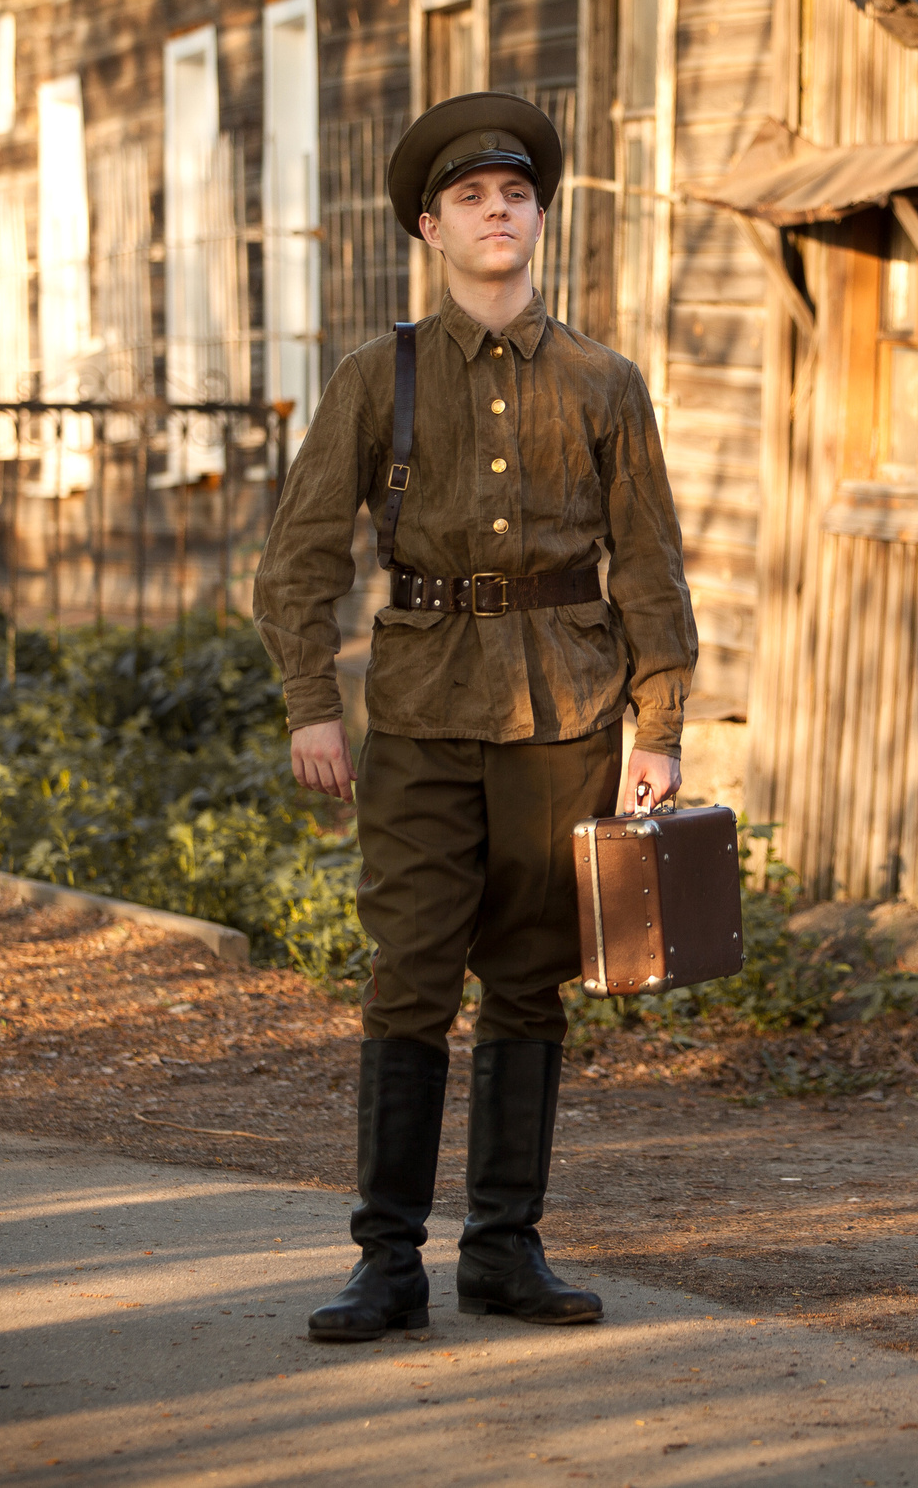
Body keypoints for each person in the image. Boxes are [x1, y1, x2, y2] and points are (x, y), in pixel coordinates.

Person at [253, 91, 696, 1341]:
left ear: (539, 218)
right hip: (420, 714)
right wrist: (311, 705)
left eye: (515, 196)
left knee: (529, 985)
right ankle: (385, 1261)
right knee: (406, 977)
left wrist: (656, 729)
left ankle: (504, 1249)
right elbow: (297, 564)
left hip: (568, 718)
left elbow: (651, 569)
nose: (495, 214)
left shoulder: (606, 383)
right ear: (427, 229)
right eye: (469, 200)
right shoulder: (371, 380)